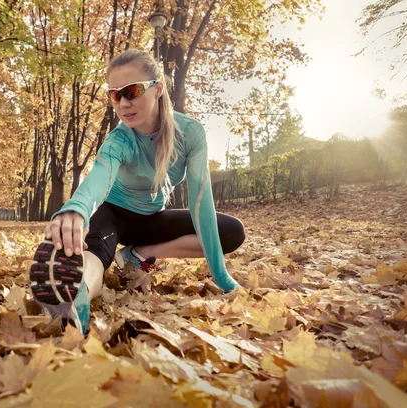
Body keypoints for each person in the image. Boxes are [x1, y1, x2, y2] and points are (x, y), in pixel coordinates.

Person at [30, 49, 245, 335]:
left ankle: (140, 254)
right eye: (115, 95)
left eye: (131, 91)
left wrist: (222, 277)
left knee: (231, 230)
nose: (123, 103)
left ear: (157, 90)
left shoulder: (190, 133)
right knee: (96, 255)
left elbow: (200, 204)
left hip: (152, 219)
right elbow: (99, 177)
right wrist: (77, 209)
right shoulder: (119, 139)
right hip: (114, 215)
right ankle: (76, 297)